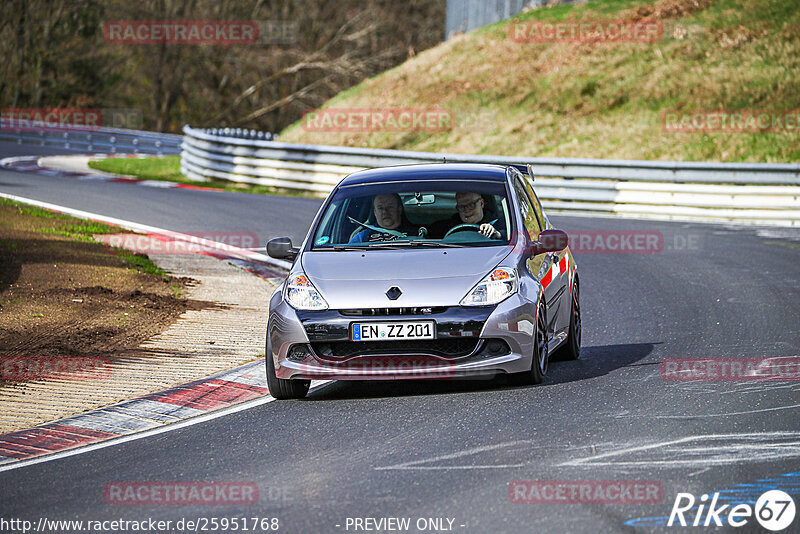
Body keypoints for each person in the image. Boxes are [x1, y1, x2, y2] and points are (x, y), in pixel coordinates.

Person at [349, 193, 418, 243]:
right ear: (375, 212)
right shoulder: (362, 237)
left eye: (390, 207)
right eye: (380, 208)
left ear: (399, 209)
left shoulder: (416, 234)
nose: (385, 211)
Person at [431, 192, 502, 239]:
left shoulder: (500, 224)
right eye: (461, 207)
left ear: (481, 203)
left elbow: (508, 239)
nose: (466, 210)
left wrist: (496, 234)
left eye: (471, 205)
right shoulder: (447, 227)